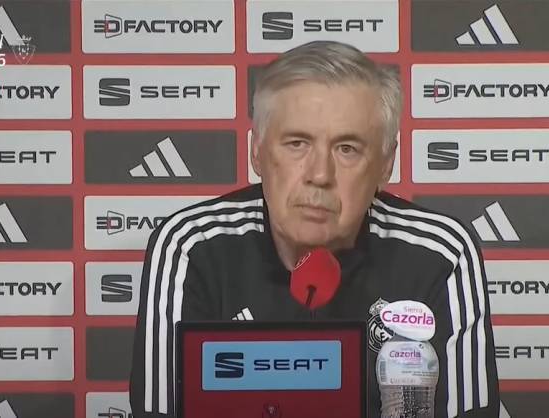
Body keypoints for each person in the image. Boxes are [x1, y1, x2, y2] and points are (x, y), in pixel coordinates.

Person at [129, 40, 499, 418]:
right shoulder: (192, 245)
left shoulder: (440, 253)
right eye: (297, 143)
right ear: (257, 151)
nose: (320, 174)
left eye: (347, 149)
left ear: (386, 164)